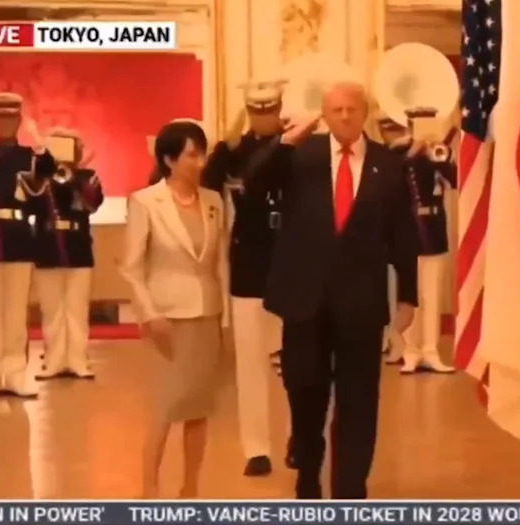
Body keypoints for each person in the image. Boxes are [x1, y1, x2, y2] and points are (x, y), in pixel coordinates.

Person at [263, 81, 419, 499]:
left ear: (364, 112)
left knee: (359, 401)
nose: (345, 116)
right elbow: (256, 183)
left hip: (361, 305)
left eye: (352, 109)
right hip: (305, 302)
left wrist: (409, 295)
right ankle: (308, 477)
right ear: (325, 115)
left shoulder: (387, 165)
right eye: (336, 110)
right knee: (306, 392)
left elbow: (403, 234)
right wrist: (283, 143)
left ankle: (351, 490)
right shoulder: (303, 156)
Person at [120, 120, 230, 498]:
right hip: (166, 320)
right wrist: (150, 315)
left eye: (202, 154)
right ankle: (150, 493)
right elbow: (132, 269)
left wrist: (224, 318)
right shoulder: (145, 202)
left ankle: (190, 491)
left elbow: (221, 264)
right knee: (164, 409)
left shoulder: (214, 202)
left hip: (206, 314)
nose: (199, 163)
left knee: (198, 406)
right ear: (169, 160)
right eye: (191, 155)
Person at [203, 80, 287, 477]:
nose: (263, 117)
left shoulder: (296, 146)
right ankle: (256, 447)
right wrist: (226, 142)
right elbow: (204, 185)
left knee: (294, 362)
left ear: (280, 108)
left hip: (291, 263)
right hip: (249, 264)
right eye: (256, 111)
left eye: (269, 110)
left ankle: (297, 438)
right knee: (250, 363)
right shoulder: (233, 152)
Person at [0, 93, 56, 398]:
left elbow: (45, 175)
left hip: (18, 236)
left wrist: (39, 140)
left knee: (16, 313)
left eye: (11, 118)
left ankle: (16, 374)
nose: (5, 124)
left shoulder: (31, 156)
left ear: (19, 121)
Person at [379, 107, 455, 374]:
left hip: (433, 231)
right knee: (411, 296)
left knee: (432, 295)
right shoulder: (397, 152)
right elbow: (388, 182)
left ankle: (431, 351)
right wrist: (412, 154)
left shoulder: (438, 151)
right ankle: (410, 351)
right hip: (408, 233)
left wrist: (440, 158)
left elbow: (454, 180)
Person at [31, 127, 104, 380]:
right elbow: (30, 201)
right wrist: (45, 168)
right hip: (47, 247)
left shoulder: (88, 176)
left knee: (76, 309)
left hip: (78, 248)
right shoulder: (41, 178)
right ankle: (53, 360)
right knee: (52, 310)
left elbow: (92, 203)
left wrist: (73, 176)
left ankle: (77, 359)